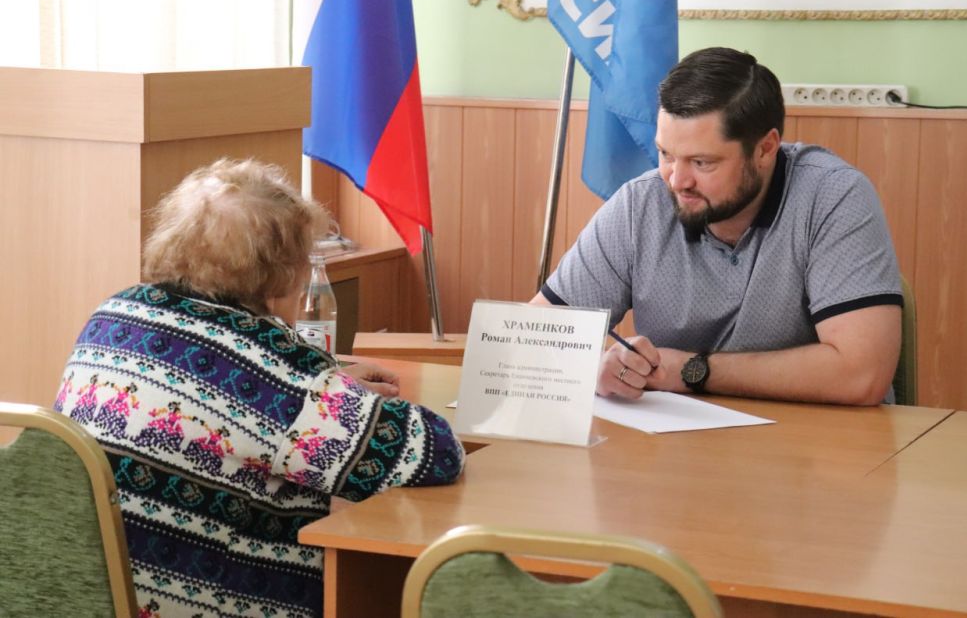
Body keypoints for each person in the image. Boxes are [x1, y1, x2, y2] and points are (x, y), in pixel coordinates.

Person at [54, 158, 465, 618]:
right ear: (283, 270)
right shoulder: (276, 373)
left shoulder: (112, 317)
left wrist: (323, 384)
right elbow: (433, 454)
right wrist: (320, 386)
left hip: (85, 594)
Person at [532, 47, 902, 406]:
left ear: (765, 149)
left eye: (701, 162)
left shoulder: (834, 196)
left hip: (823, 452)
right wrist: (590, 364)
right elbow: (536, 337)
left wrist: (693, 371)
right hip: (677, 453)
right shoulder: (640, 203)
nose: (677, 181)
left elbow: (861, 374)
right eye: (666, 154)